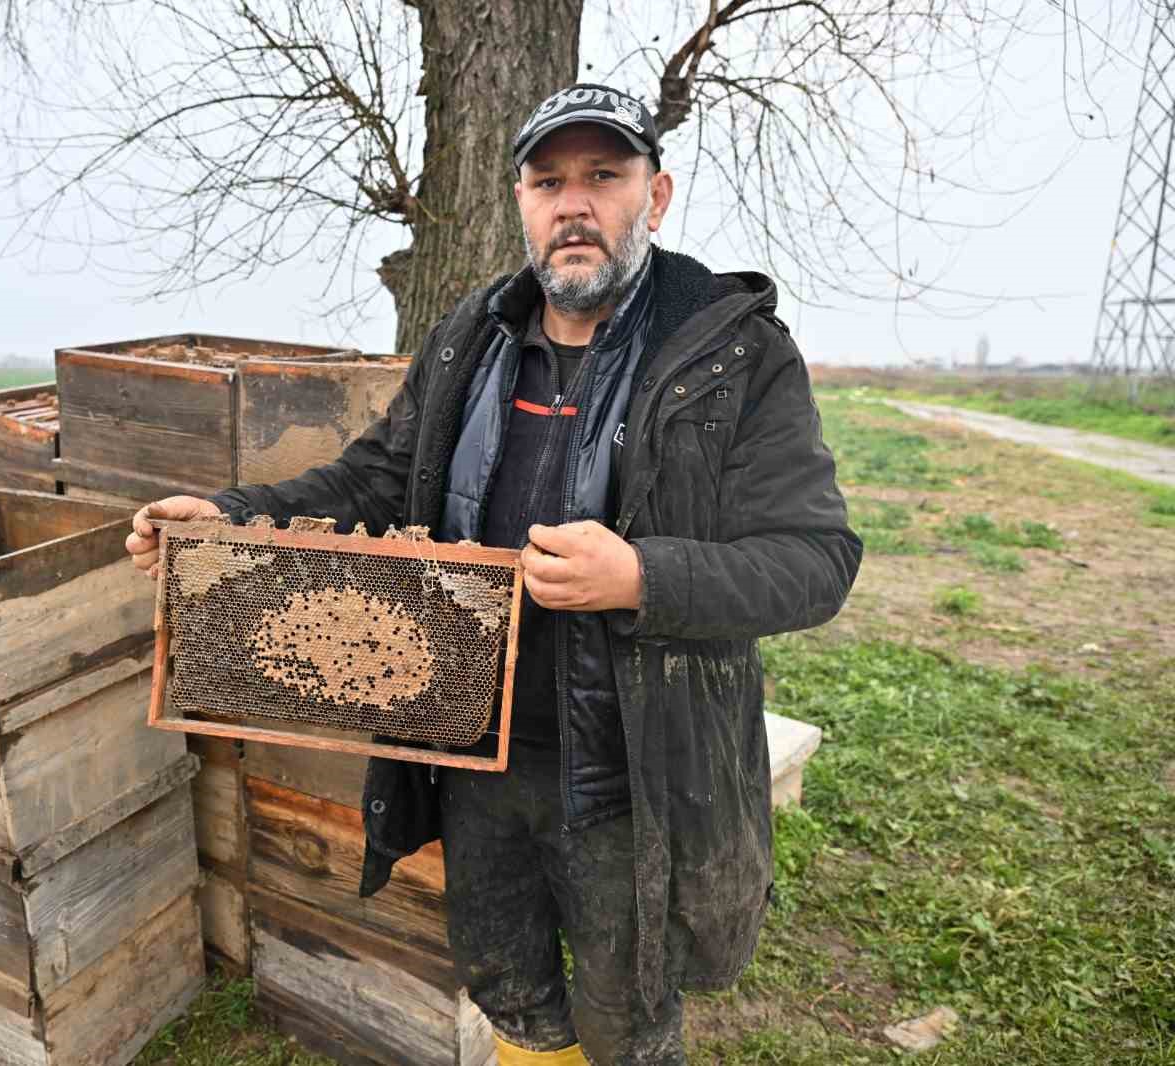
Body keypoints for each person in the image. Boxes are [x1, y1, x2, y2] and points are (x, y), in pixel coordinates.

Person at [125, 83, 862, 1066]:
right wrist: (234, 515)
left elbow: (816, 561)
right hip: (475, 754)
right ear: (519, 200)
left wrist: (641, 573)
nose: (574, 204)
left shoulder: (730, 353)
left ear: (657, 194)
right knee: (507, 988)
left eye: (603, 176)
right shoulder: (472, 335)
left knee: (627, 1021)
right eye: (548, 180)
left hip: (629, 776)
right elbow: (379, 476)